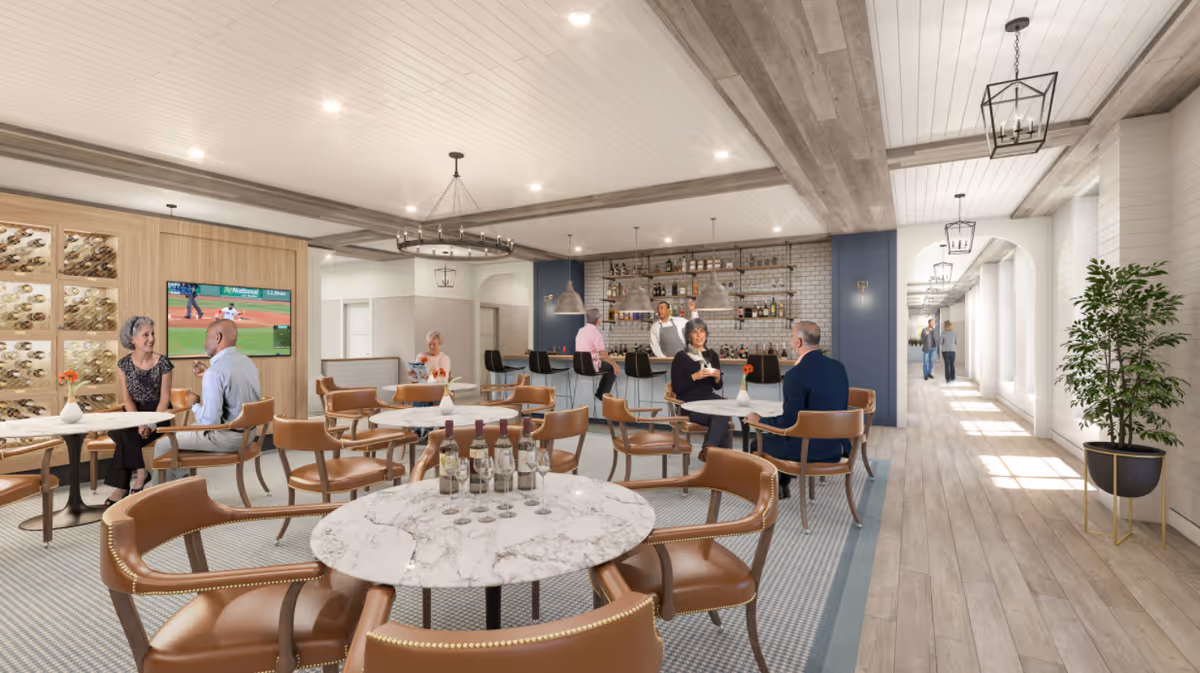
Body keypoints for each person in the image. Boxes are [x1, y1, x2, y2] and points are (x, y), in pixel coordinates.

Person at [746, 321, 850, 498]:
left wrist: (759, 420)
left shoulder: (795, 375)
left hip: (808, 450)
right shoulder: (838, 368)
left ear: (799, 342)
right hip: (836, 448)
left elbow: (788, 423)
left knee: (757, 443)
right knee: (781, 438)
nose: (791, 341)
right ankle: (783, 485)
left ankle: (775, 491)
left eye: (792, 338)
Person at [153, 319, 261, 482]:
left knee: (163, 443)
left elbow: (210, 422)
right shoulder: (247, 362)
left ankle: (161, 497)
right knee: (184, 433)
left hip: (227, 439)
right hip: (249, 435)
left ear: (217, 337)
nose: (205, 342)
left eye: (207, 337)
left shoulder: (216, 372)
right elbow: (234, 387)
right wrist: (208, 375)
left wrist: (194, 404)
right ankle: (181, 486)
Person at [103, 316, 174, 505]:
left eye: (152, 334)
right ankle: (141, 471)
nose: (151, 338)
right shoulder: (124, 365)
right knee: (120, 431)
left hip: (158, 413)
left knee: (125, 436)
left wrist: (150, 423)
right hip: (134, 413)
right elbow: (127, 399)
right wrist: (138, 422)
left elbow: (165, 397)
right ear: (132, 339)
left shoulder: (163, 363)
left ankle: (122, 486)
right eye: (146, 335)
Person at [670, 317, 731, 453]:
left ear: (706, 334)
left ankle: (710, 451)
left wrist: (716, 378)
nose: (699, 335)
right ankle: (714, 453)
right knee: (721, 416)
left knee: (724, 410)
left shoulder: (712, 355)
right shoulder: (681, 357)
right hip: (689, 404)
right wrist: (694, 377)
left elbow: (718, 387)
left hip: (709, 400)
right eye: (695, 332)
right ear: (688, 336)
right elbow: (677, 388)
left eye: (702, 331)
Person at [576, 308, 621, 399]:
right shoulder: (596, 333)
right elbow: (603, 354)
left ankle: (600, 393)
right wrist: (615, 364)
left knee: (607, 367)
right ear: (597, 320)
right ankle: (602, 395)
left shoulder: (580, 331)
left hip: (579, 366)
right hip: (591, 367)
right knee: (611, 368)